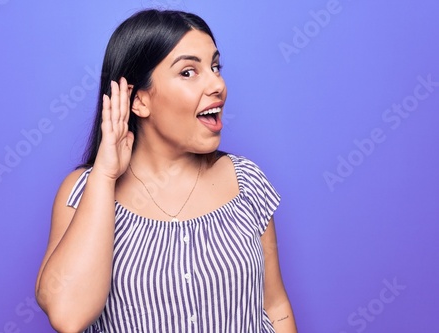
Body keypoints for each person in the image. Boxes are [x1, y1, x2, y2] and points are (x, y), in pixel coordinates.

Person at [35, 9, 297, 333]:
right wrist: (104, 176)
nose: (217, 84)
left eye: (215, 67)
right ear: (139, 100)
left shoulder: (247, 182)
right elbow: (68, 315)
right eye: (189, 72)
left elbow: (274, 305)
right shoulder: (82, 193)